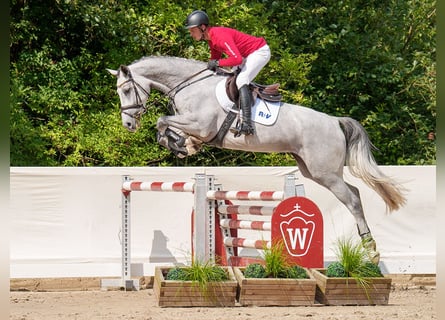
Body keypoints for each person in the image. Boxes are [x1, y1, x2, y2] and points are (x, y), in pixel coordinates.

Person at [185, 10, 271, 136]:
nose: (191, 33)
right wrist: (210, 67)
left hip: (259, 52)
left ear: (202, 27)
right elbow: (215, 58)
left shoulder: (219, 36)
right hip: (246, 55)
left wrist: (217, 64)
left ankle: (247, 124)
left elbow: (237, 59)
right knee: (231, 76)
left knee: (242, 79)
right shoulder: (211, 39)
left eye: (192, 30)